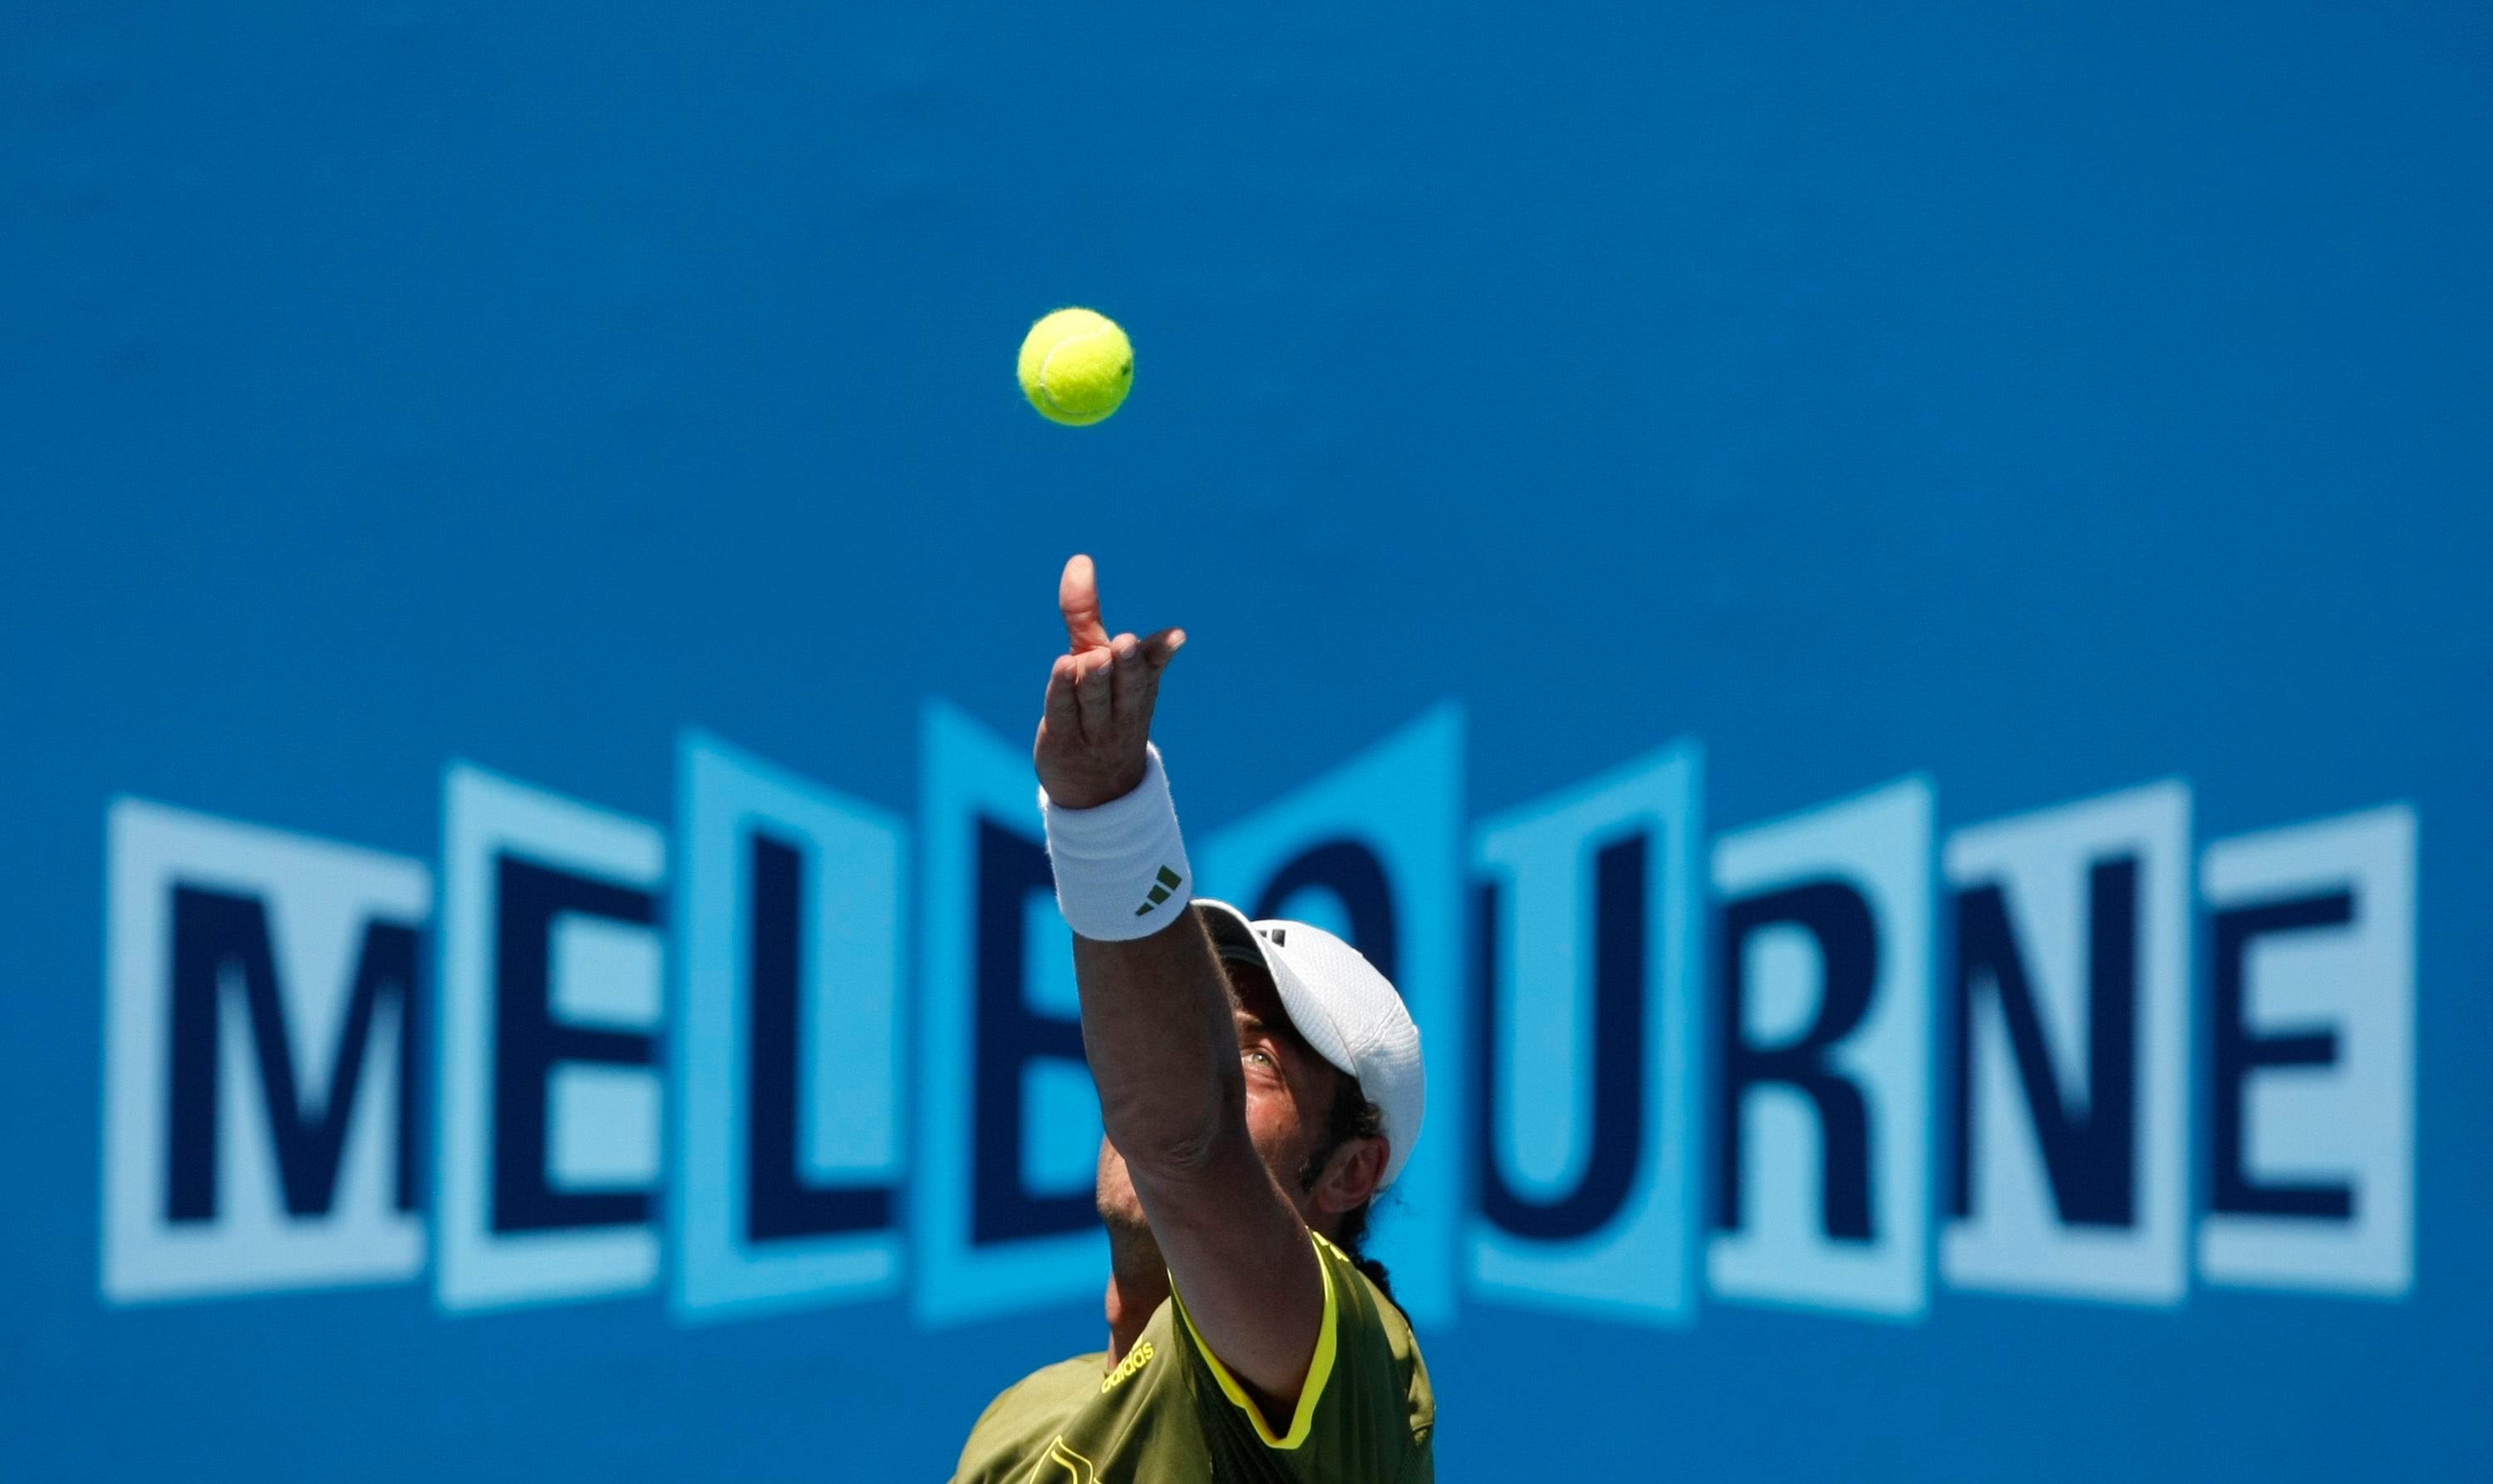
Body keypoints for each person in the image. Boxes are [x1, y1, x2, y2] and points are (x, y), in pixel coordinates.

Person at [949, 556, 1436, 1483]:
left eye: (1248, 1057)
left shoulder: (1350, 1364)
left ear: (1349, 1171)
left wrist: (1108, 824)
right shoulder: (1019, 1423)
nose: (1189, 1069)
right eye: (1195, 1035)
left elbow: (1187, 1139)